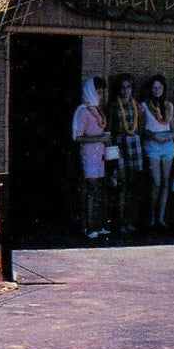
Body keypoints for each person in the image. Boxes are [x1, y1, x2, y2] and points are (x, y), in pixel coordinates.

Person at [72, 76, 111, 239]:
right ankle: (88, 226)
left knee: (99, 190)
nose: (101, 95)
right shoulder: (82, 111)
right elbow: (77, 137)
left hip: (99, 155)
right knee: (91, 190)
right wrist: (99, 139)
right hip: (89, 156)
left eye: (102, 91)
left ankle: (98, 224)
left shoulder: (98, 109)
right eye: (98, 91)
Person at [108, 73, 142, 234]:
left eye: (128, 87)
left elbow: (140, 127)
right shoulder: (114, 105)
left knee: (134, 186)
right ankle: (120, 222)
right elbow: (110, 129)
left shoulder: (137, 105)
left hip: (135, 147)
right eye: (122, 87)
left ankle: (131, 220)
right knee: (122, 185)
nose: (125, 90)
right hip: (119, 146)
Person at [141, 73, 174, 228]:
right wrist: (155, 137)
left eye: (160, 87)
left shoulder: (169, 105)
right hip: (152, 143)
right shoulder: (144, 105)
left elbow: (173, 128)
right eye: (154, 87)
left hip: (167, 143)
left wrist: (170, 136)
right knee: (156, 180)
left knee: (165, 182)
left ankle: (160, 218)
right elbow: (142, 129)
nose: (157, 90)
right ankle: (150, 216)